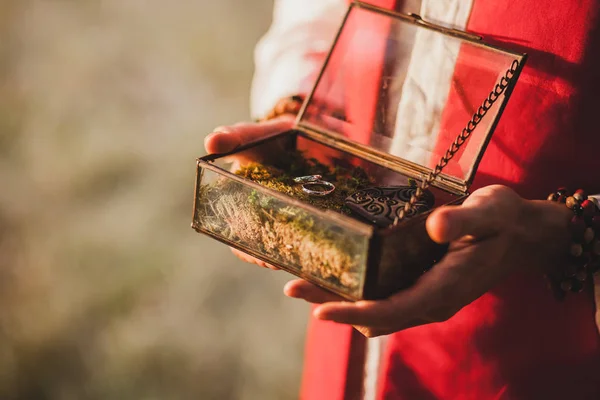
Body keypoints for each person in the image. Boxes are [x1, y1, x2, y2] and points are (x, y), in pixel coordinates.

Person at [204, 0, 600, 398]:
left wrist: (558, 230)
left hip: (528, 343)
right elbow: (314, 15)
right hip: (347, 300)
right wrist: (305, 109)